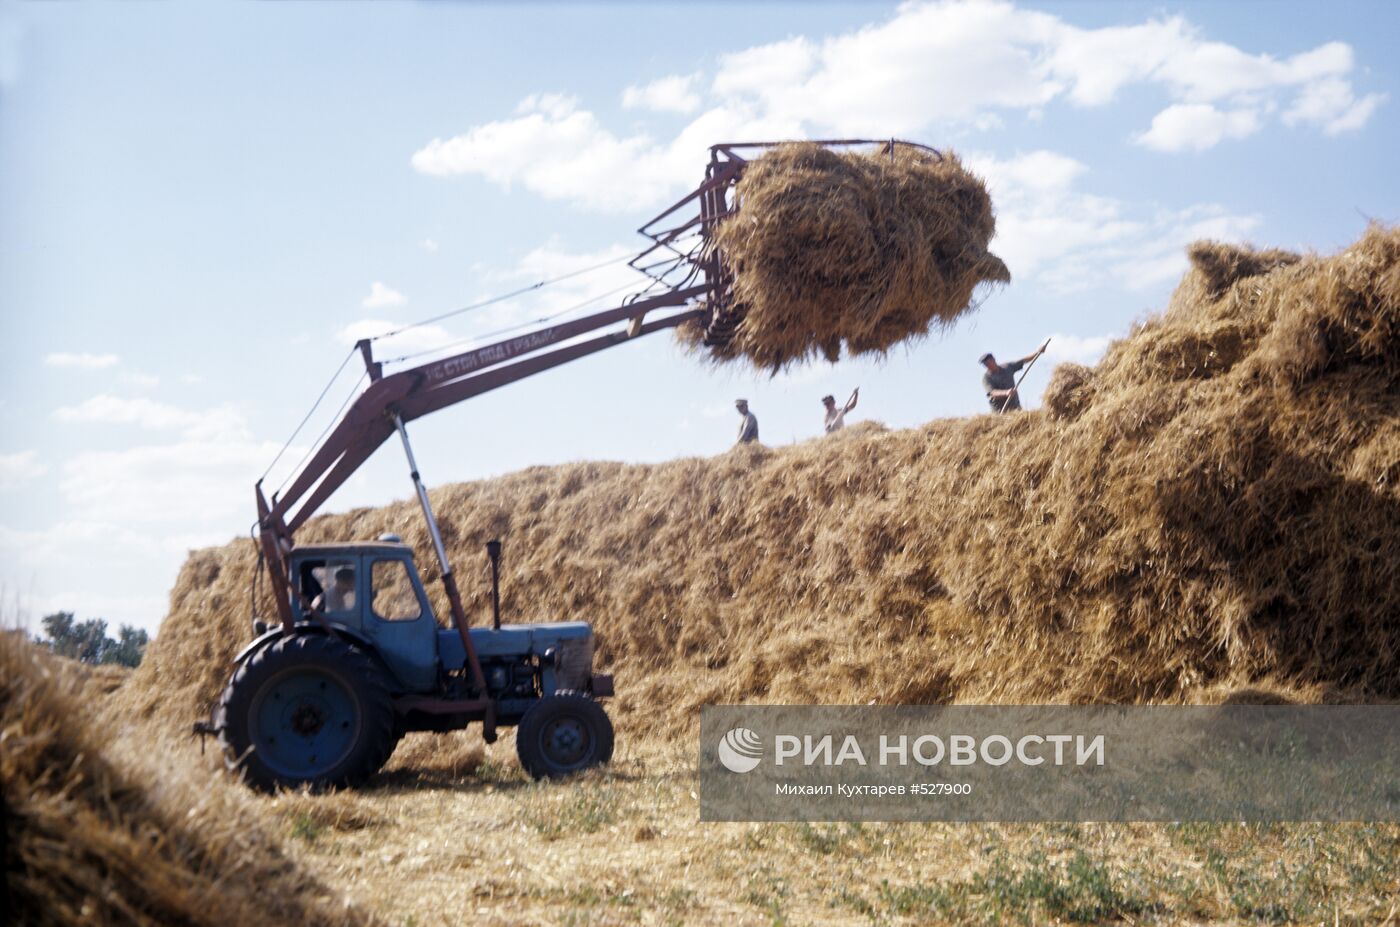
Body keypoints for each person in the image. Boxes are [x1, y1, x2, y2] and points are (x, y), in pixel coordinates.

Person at [980, 341, 1048, 412]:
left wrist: (1038, 352)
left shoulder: (1007, 367)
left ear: (994, 360)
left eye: (988, 363)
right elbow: (992, 392)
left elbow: (1023, 361)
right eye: (985, 365)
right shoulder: (986, 378)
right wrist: (1006, 393)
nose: (987, 366)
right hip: (1000, 411)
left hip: (1015, 408)